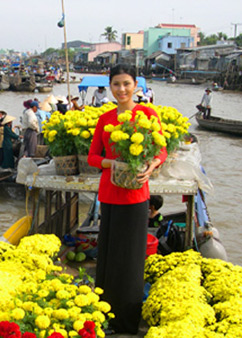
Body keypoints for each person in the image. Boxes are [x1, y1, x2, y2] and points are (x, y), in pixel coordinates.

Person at [87, 64, 167, 335]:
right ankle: (105, 317)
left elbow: (162, 149)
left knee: (132, 259)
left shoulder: (147, 114)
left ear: (136, 86)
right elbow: (92, 157)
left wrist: (153, 164)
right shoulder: (105, 118)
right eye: (116, 84)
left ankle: (127, 322)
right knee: (109, 257)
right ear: (110, 87)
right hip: (109, 194)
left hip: (136, 195)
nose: (121, 89)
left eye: (126, 84)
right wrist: (108, 162)